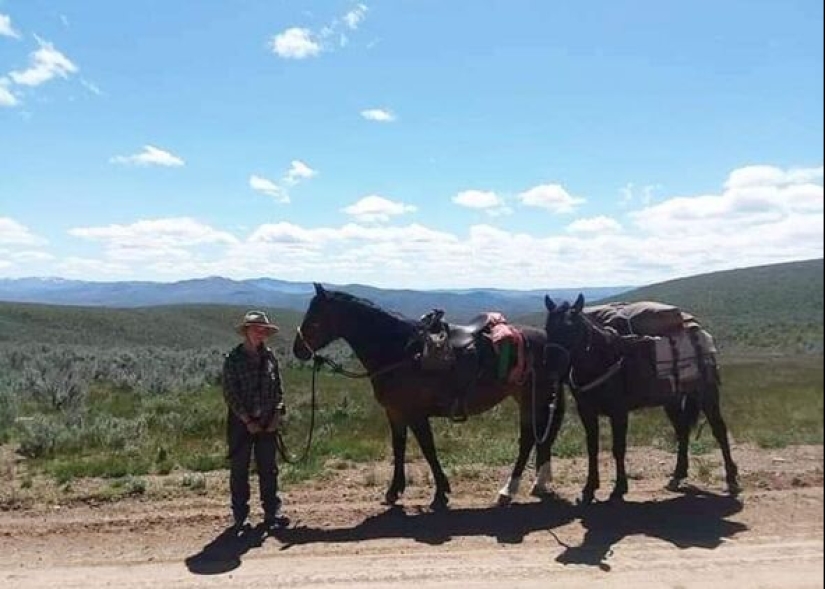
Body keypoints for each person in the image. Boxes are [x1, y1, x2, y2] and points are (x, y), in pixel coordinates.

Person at [222, 310, 288, 531]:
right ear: (247, 331)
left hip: (268, 421)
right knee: (239, 470)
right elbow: (230, 394)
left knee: (269, 469)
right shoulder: (233, 359)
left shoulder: (270, 358)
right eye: (256, 329)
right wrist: (247, 420)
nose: (260, 334)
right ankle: (240, 515)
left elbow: (279, 390)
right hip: (242, 424)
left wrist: (277, 415)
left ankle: (272, 513)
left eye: (264, 330)